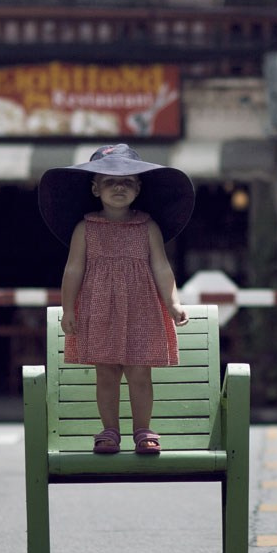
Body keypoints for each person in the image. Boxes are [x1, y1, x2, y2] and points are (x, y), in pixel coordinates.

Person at [38, 144, 195, 455]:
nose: (118, 187)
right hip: (99, 309)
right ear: (95, 188)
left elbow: (161, 267)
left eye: (127, 181)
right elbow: (73, 269)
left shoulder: (147, 226)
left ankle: (143, 430)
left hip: (142, 309)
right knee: (106, 371)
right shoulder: (85, 228)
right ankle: (109, 430)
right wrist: (69, 308)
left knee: (140, 371)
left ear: (138, 188)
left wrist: (173, 302)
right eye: (110, 181)